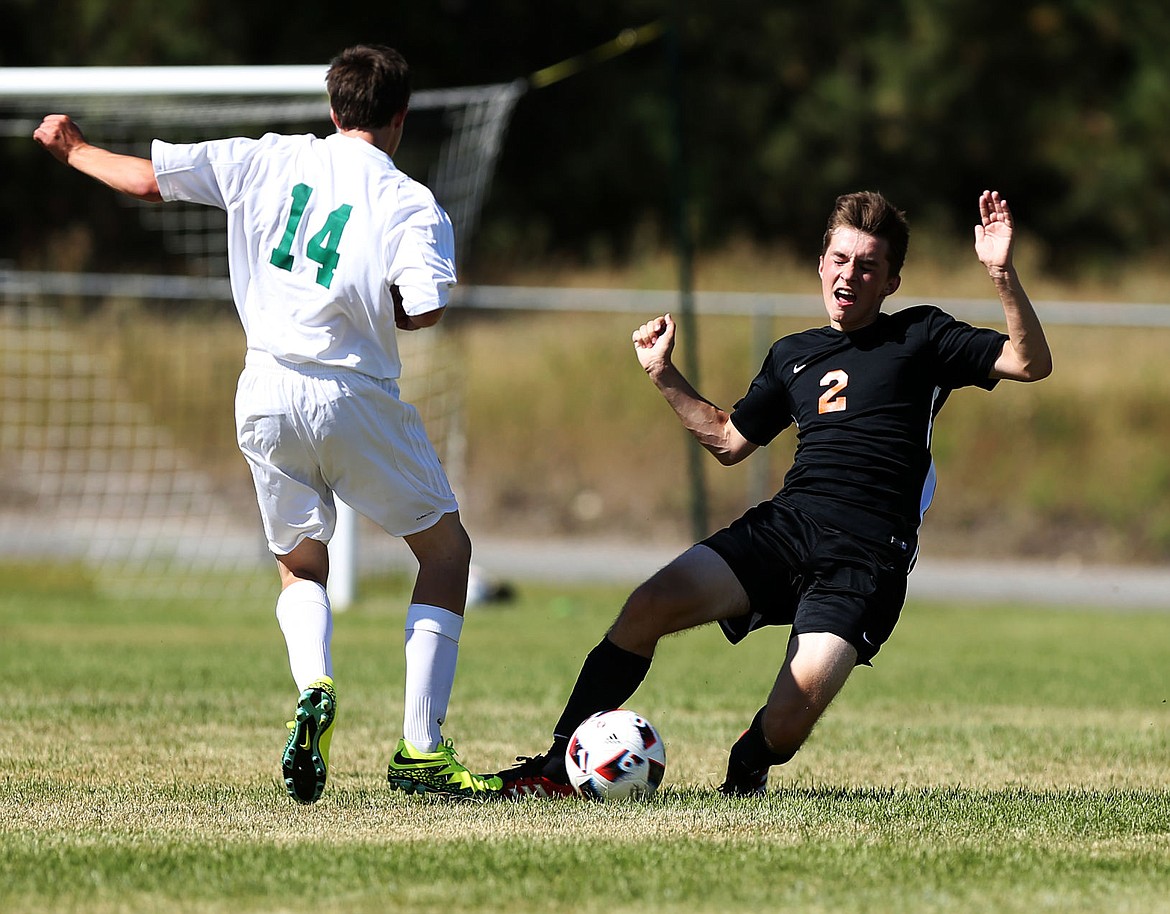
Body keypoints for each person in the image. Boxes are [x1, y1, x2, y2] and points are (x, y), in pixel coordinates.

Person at [34, 44, 502, 803]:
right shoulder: (409, 200)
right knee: (446, 555)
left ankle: (315, 681)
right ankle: (420, 747)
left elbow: (151, 182)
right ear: (399, 119)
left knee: (300, 563)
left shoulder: (266, 158)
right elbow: (425, 308)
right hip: (352, 392)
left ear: (331, 108)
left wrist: (75, 148)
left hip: (264, 387)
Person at [498, 189, 1052, 798]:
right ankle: (555, 768)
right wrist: (662, 374)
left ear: (891, 280)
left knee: (795, 711)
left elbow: (1029, 362)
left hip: (866, 555)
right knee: (649, 604)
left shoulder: (922, 335)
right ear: (821, 264)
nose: (850, 275)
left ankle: (750, 759)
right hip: (788, 527)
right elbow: (729, 440)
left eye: (868, 266)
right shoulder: (793, 355)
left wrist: (1001, 273)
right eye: (840, 259)